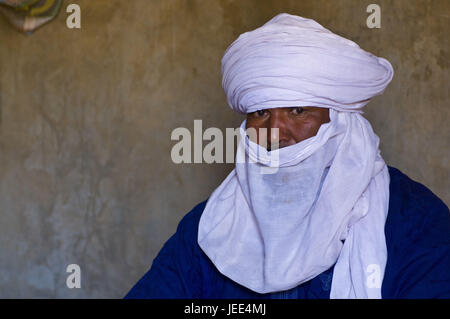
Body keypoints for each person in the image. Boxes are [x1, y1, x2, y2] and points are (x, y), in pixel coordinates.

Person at [125, 13, 449, 299]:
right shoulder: (210, 229)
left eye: (297, 110)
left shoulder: (413, 222)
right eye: (261, 112)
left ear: (340, 120)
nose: (275, 134)